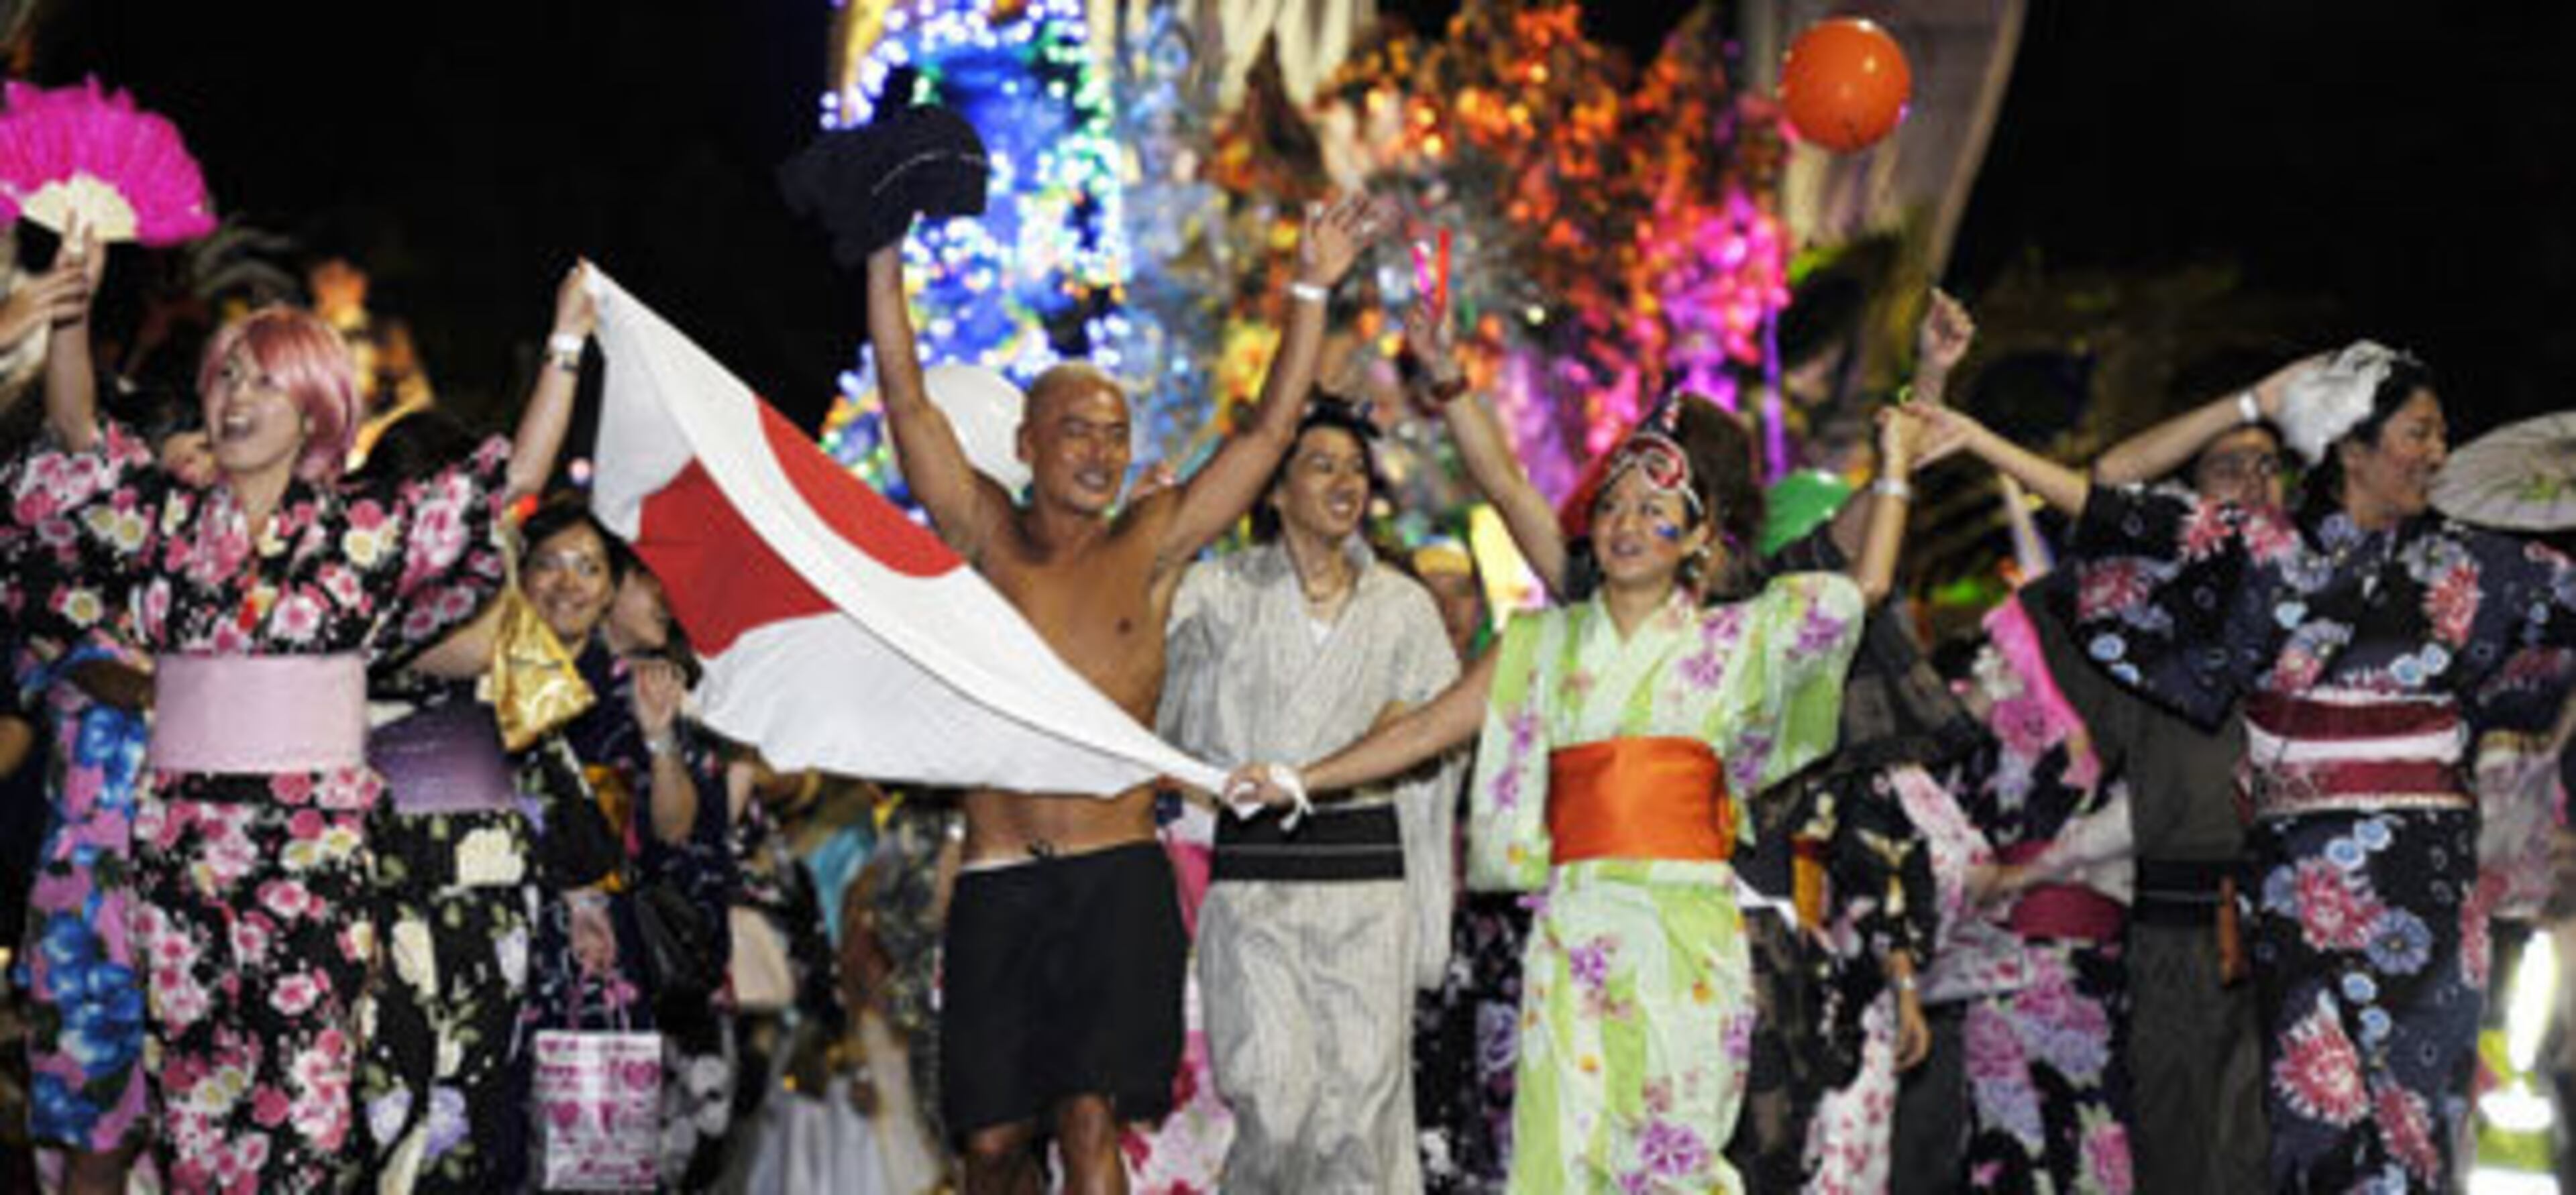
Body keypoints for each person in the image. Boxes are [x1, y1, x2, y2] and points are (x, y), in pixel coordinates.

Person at [1923, 343, 2576, 1190]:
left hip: (2429, 878)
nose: (2438, 456)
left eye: (2444, 437)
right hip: (2302, 883)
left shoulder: (2481, 567)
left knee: (2419, 1124)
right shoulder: (2263, 552)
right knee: (2313, 1124)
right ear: (2351, 445)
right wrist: (2253, 400)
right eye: (2419, 432)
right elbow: (2115, 481)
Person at [0, 225, 567, 1190]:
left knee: (305, 1121)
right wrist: (70, 313)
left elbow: (507, 482)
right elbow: (81, 451)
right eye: (228, 378)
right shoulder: (170, 524)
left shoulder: (359, 530)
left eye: (264, 383)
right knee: (192, 1123)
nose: (235, 398)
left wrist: (568, 343)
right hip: (179, 853)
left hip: (310, 862)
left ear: (313, 412)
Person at [867, 192, 1388, 1194]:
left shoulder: (1151, 543)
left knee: (1091, 1119)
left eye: (1115, 434)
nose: (1102, 452)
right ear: (1024, 445)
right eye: (1076, 433)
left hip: (1114, 877)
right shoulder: (983, 534)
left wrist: (1313, 283)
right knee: (989, 1144)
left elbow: (1270, 429)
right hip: (997, 878)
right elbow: (906, 403)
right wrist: (884, 256)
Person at [1232, 391, 1881, 1192]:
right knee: (1563, 1157)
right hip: (1577, 926)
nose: (1628, 524)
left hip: (1691, 925)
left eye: (1655, 511)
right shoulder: (1542, 644)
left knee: (1677, 1154)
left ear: (1701, 538)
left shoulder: (1736, 640)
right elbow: (1425, 731)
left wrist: (1898, 476)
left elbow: (1864, 588)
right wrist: (1304, 778)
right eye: (1612, 506)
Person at [1159, 394, 1465, 1190]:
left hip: (1368, 886)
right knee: (1274, 1101)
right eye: (1322, 465)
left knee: (1361, 1118)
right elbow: (1142, 663)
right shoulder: (1219, 593)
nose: (1345, 482)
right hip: (1256, 884)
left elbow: (1436, 734)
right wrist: (1151, 532)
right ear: (1273, 487)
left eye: (1357, 470)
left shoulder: (1402, 607)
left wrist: (1389, 741)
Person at [2021, 367, 2302, 1194]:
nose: (2254, 484)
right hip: (2175, 925)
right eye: (2228, 469)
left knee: (2274, 1157)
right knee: (2176, 1153)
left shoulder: (2327, 594)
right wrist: (2240, 403)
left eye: (2268, 465)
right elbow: (2104, 496)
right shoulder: (2141, 622)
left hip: (2295, 920)